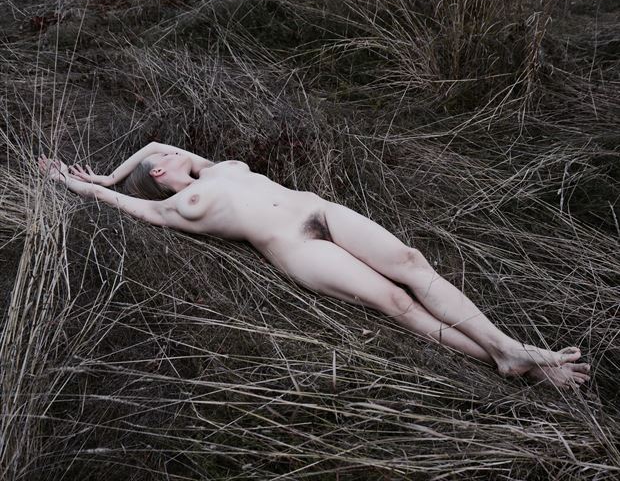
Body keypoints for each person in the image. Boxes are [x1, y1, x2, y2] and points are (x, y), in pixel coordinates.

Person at [37, 141, 591, 389]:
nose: (173, 148)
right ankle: (509, 359)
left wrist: (110, 171)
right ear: (160, 173)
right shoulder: (177, 205)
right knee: (397, 303)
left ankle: (508, 348)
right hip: (296, 248)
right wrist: (86, 186)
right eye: (167, 156)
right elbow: (122, 201)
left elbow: (151, 145)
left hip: (320, 210)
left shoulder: (210, 169)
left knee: (411, 261)